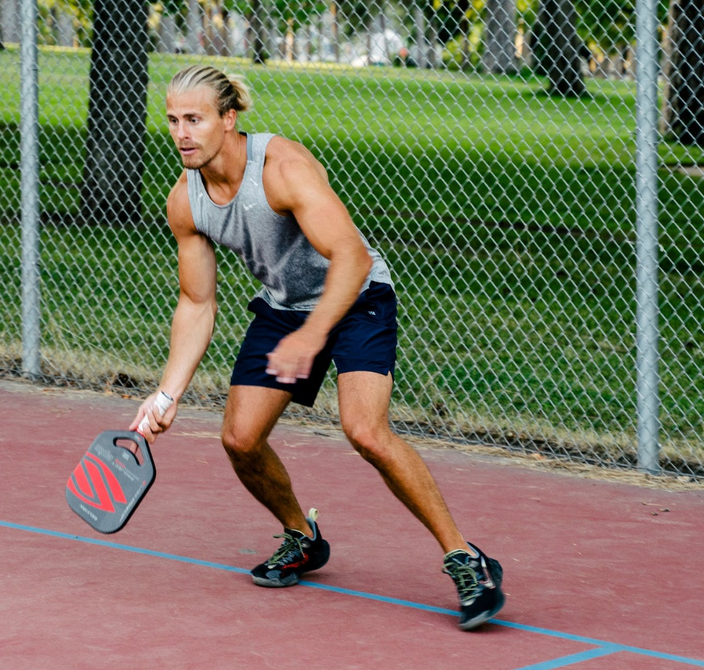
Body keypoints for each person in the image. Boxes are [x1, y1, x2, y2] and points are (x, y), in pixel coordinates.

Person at [130, 65, 505, 631]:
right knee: (239, 437)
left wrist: (313, 334)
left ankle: (465, 558)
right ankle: (301, 538)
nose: (181, 132)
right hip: (285, 307)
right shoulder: (186, 202)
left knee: (365, 430)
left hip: (356, 296)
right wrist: (166, 394)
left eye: (195, 119)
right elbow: (197, 303)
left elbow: (351, 257)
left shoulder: (283, 168)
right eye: (173, 120)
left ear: (229, 119)